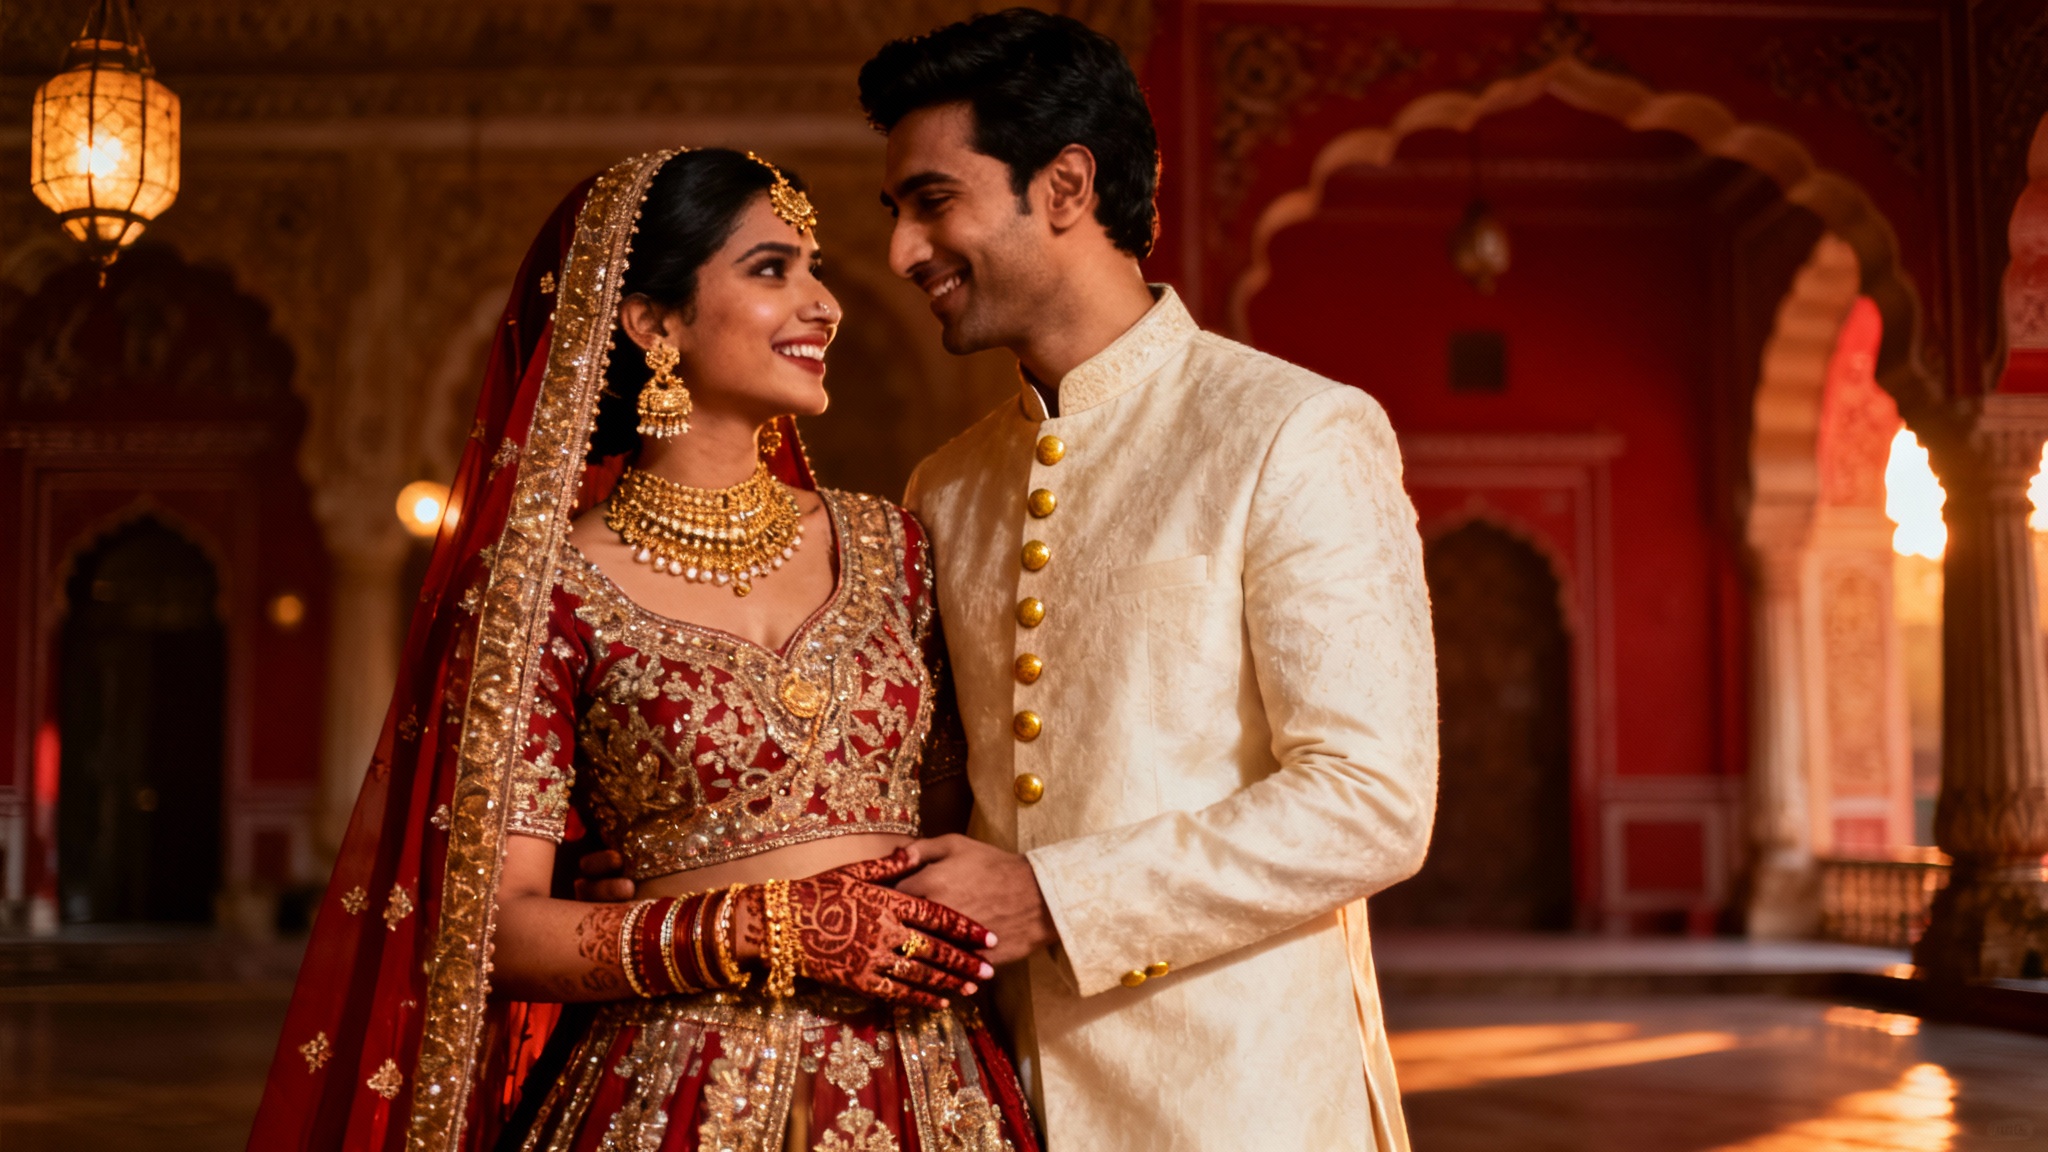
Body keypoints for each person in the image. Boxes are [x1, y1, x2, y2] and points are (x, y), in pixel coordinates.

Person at [247, 148, 1039, 1152]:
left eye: (814, 266)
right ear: (653, 324)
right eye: (770, 269)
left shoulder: (897, 546)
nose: (824, 304)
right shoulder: (543, 587)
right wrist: (762, 927)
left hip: (927, 1087)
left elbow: (950, 819)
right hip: (674, 1096)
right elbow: (495, 927)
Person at [863, 11, 1440, 1151]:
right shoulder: (949, 487)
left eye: (932, 201)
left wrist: (1050, 899)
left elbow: (1370, 802)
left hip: (1243, 1103)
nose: (900, 253)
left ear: (1066, 184)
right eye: (896, 214)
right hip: (1005, 1101)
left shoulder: (1289, 430)